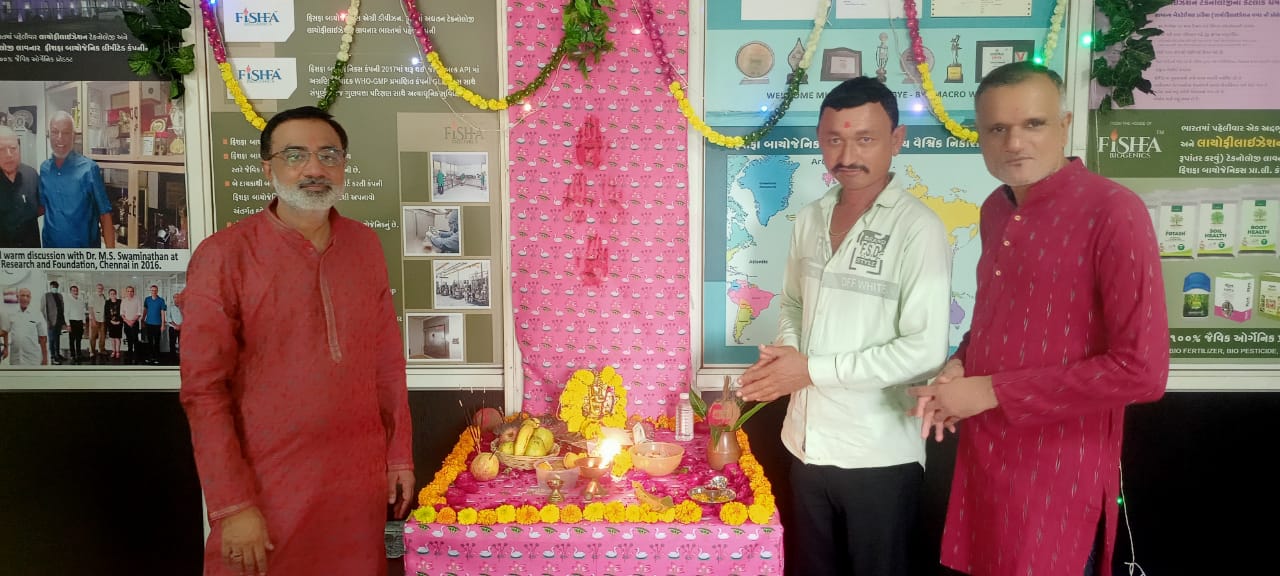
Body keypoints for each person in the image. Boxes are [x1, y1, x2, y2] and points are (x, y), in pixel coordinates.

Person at [908, 62, 1169, 576]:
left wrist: (991, 391)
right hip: (986, 460)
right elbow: (996, 317)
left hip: (1059, 474)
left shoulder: (1114, 211)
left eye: (1033, 124)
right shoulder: (994, 209)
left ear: (1064, 125)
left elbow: (1143, 371)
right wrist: (961, 364)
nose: (1014, 143)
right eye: (997, 129)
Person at [181, 106, 414, 576]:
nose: (314, 168)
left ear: (343, 165)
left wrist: (398, 456)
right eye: (295, 155)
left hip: (356, 484)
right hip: (268, 488)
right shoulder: (224, 255)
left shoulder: (365, 246)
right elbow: (204, 392)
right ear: (268, 169)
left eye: (328, 155)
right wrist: (232, 505)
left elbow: (387, 364)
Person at [736, 77, 953, 576]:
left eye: (865, 139)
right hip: (804, 444)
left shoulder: (917, 228)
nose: (847, 155)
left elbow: (923, 350)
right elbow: (793, 303)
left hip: (877, 455)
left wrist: (810, 371)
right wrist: (792, 357)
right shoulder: (810, 218)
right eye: (834, 139)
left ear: (896, 140)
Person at [40, 110, 115, 248]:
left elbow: (105, 215)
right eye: (55, 132)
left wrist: (111, 257)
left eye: (66, 132)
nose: (60, 138)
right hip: (51, 253)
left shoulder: (89, 169)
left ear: (73, 137)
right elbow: (44, 206)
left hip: (84, 255)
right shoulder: (44, 169)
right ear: (49, 135)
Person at [0, 125, 41, 248]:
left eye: (13, 148)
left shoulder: (32, 175)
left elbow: (41, 208)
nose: (9, 154)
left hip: (31, 254)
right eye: (1, 149)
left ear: (19, 148)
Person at [6, 288, 49, 366]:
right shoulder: (11, 314)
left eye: (27, 296)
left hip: (32, 359)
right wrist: (5, 347)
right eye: (22, 295)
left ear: (30, 298)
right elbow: (5, 331)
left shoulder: (37, 314)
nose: (25, 298)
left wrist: (45, 358)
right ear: (17, 297)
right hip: (15, 358)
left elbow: (43, 338)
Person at [142, 284, 166, 365]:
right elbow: (145, 310)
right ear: (150, 291)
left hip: (157, 324)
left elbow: (162, 313)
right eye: (152, 290)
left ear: (157, 291)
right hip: (149, 324)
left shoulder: (161, 300)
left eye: (155, 290)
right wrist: (142, 320)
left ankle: (156, 358)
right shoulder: (147, 299)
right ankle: (150, 357)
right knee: (149, 342)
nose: (154, 292)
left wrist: (163, 324)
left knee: (157, 342)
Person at [43, 280, 65, 364]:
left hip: (59, 321)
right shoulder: (46, 296)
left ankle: (57, 354)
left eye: (56, 287)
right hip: (51, 322)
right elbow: (43, 310)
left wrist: (63, 322)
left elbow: (62, 309)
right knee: (52, 340)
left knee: (57, 339)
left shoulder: (60, 296)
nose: (54, 288)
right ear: (50, 287)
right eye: (53, 287)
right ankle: (52, 356)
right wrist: (47, 322)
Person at [119, 285, 142, 363]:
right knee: (129, 339)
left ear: (133, 292)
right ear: (126, 292)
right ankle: (129, 353)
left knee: (135, 339)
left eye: (131, 291)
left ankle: (136, 354)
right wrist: (127, 321)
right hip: (126, 322)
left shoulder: (137, 300)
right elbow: (122, 313)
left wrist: (132, 321)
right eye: (128, 291)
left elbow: (139, 312)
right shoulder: (124, 301)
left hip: (135, 323)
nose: (130, 293)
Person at [65, 284, 87, 363]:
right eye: (73, 290)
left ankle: (79, 354)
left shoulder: (80, 300)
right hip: (72, 322)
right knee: (72, 340)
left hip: (80, 322)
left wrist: (84, 322)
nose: (75, 292)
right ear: (71, 292)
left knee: (79, 339)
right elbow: (66, 313)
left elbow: (83, 312)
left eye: (76, 290)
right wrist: (68, 324)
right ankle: (72, 355)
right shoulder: (68, 301)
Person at [88, 283, 107, 361]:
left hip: (102, 320)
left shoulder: (104, 297)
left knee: (102, 336)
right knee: (93, 336)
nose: (100, 290)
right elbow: (90, 308)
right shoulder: (92, 296)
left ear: (103, 289)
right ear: (96, 289)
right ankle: (92, 351)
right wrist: (93, 319)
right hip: (94, 319)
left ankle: (101, 349)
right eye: (99, 288)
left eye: (101, 288)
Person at [104, 288, 122, 359]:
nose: (112, 295)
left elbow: (123, 312)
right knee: (112, 338)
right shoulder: (107, 302)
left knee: (117, 338)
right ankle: (113, 351)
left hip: (119, 322)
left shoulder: (120, 302)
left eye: (114, 294)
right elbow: (106, 313)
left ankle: (118, 352)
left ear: (116, 294)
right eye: (111, 294)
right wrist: (111, 321)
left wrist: (119, 321)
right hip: (110, 322)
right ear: (109, 295)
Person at [167, 290, 184, 356]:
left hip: (182, 329)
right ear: (173, 299)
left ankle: (181, 357)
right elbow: (168, 318)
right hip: (172, 328)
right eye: (175, 297)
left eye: (178, 297)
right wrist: (176, 326)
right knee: (172, 343)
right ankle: (172, 357)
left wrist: (180, 326)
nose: (177, 299)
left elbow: (186, 318)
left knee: (182, 344)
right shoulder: (170, 307)